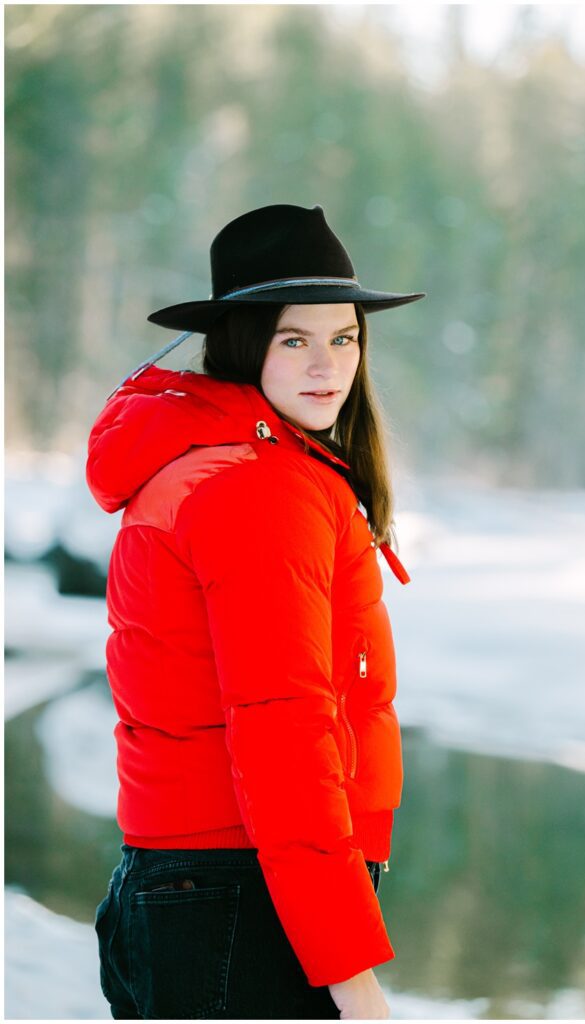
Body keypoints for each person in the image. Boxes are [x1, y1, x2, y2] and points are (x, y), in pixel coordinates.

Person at [86, 203, 425, 1020]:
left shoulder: (226, 464)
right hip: (243, 897)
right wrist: (354, 978)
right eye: (293, 339)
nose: (327, 365)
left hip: (203, 890)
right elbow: (283, 731)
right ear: (243, 342)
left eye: (342, 338)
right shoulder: (255, 488)